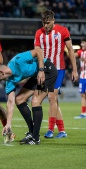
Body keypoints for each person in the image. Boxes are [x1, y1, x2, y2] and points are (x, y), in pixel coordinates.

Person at [0, 48, 58, 145]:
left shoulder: (18, 60)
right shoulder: (10, 80)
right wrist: (8, 124)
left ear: (1, 73)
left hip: (47, 70)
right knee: (19, 99)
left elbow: (38, 51)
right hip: (35, 76)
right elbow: (10, 102)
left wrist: (41, 70)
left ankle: (35, 138)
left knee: (35, 101)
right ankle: (31, 132)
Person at [34, 9, 78, 138]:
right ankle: (62, 130)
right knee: (53, 100)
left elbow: (70, 50)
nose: (45, 25)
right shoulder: (38, 33)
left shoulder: (63, 31)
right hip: (44, 70)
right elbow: (37, 52)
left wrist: (75, 70)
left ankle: (50, 129)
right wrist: (39, 70)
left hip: (58, 69)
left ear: (53, 20)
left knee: (52, 97)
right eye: (43, 23)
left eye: (48, 22)